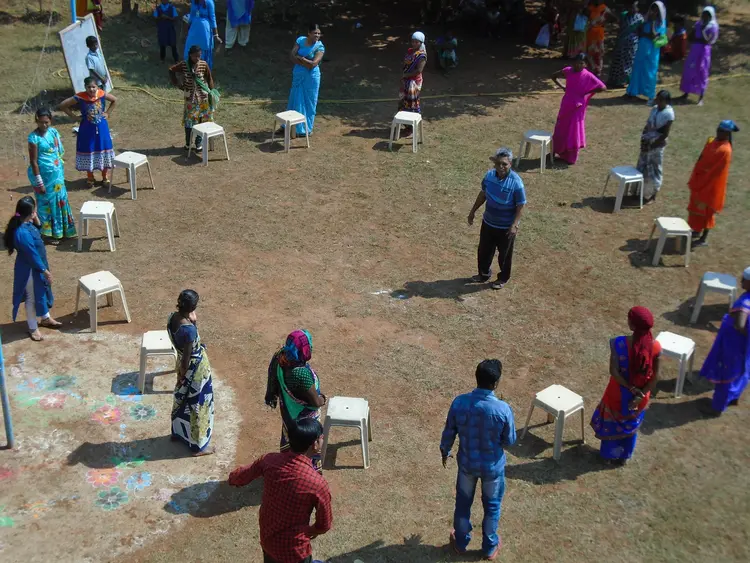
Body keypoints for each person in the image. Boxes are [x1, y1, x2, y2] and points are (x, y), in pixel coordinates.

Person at [440, 359, 516, 561]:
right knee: (492, 507)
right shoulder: (503, 409)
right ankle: (490, 547)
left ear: (476, 377)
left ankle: (460, 542)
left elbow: (449, 432)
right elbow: (509, 440)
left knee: (463, 504)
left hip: (467, 465)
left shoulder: (460, 403)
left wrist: (445, 450)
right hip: (492, 469)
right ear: (496, 383)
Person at [228, 418, 333, 563]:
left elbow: (240, 476)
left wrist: (232, 478)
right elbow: (324, 525)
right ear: (315, 444)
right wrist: (310, 531)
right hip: (295, 552)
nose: (323, 439)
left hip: (268, 541)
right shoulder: (317, 483)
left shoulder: (269, 460)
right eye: (321, 437)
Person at [590, 307, 661, 465]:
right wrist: (641, 394)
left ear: (632, 325)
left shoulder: (618, 343)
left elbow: (614, 371)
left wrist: (630, 388)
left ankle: (608, 456)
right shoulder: (655, 347)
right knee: (631, 425)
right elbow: (655, 377)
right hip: (640, 398)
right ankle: (623, 456)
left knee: (612, 424)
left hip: (618, 394)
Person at [265, 330, 326, 473]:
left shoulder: (281, 357)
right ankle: (307, 474)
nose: (310, 348)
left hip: (289, 413)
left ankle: (289, 469)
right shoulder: (300, 374)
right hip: (303, 418)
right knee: (307, 448)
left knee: (292, 444)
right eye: (308, 346)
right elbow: (316, 402)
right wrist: (323, 399)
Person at [4, 196, 62, 342]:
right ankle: (32, 326)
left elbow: (38, 230)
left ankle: (45, 318)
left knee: (41, 292)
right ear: (30, 213)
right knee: (32, 297)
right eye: (34, 210)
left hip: (37, 266)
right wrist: (45, 271)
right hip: (29, 270)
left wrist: (35, 219)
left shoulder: (26, 224)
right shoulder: (22, 233)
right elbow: (31, 254)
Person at [467, 148, 526, 290]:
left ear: (510, 164)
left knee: (504, 255)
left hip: (505, 227)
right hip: (488, 222)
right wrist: (473, 211)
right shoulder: (489, 176)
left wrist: (514, 224)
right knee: (484, 251)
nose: (501, 167)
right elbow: (483, 194)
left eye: (504, 164)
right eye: (498, 163)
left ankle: (503, 278)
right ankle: (483, 274)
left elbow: (520, 205)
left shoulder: (516, 183)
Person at [166, 290, 215, 456]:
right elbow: (187, 358)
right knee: (197, 406)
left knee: (182, 399)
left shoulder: (172, 318)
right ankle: (197, 447)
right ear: (193, 307)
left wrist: (180, 376)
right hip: (195, 372)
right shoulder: (189, 330)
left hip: (181, 364)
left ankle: (178, 433)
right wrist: (183, 375)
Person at [698, 267, 750, 417]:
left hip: (734, 344)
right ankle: (733, 397)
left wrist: (743, 333)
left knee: (726, 374)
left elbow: (740, 325)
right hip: (745, 347)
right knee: (742, 370)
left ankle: (716, 408)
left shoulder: (745, 303)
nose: (741, 281)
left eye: (745, 279)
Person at [26, 108, 77, 241]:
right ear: (37, 121)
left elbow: (57, 152)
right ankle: (47, 233)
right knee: (45, 204)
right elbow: (33, 162)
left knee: (61, 200)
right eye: (41, 122)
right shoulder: (33, 138)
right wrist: (39, 182)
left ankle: (63, 230)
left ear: (51, 121)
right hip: (43, 178)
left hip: (57, 176)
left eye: (47, 122)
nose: (44, 125)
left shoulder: (53, 132)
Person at [687, 120, 738, 248]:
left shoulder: (725, 150)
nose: (718, 133)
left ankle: (703, 238)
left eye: (722, 131)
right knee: (695, 207)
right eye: (718, 130)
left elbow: (716, 172)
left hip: (711, 185)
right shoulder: (712, 141)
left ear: (727, 134)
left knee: (707, 212)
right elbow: (702, 157)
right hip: (701, 180)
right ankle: (696, 230)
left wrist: (703, 179)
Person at [58, 76, 116, 189]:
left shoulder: (102, 94)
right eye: (89, 87)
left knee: (103, 148)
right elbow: (63, 105)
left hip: (102, 128)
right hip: (87, 129)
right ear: (85, 87)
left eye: (93, 87)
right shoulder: (80, 97)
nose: (91, 89)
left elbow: (115, 100)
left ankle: (105, 177)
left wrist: (108, 113)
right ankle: (90, 177)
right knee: (89, 149)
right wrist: (75, 117)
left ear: (97, 87)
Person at [551, 53, 606, 165]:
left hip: (577, 107)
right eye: (576, 62)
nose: (578, 65)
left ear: (585, 64)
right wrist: (563, 86)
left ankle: (570, 157)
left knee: (573, 130)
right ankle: (555, 151)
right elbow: (553, 76)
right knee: (560, 127)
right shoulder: (568, 71)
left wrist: (587, 92)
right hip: (566, 104)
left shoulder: (588, 75)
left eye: (581, 63)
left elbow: (603, 87)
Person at [169, 45, 218, 152]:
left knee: (202, 120)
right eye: (195, 56)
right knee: (189, 122)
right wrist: (178, 84)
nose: (197, 58)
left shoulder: (203, 64)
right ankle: (188, 144)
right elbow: (171, 70)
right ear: (190, 55)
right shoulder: (183, 65)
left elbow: (209, 78)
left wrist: (212, 92)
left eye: (199, 56)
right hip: (190, 99)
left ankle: (198, 143)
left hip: (203, 98)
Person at [286, 24, 325, 138]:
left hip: (311, 77)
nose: (317, 35)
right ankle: (289, 126)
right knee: (294, 99)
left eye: (319, 33)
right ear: (309, 33)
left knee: (309, 101)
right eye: (315, 33)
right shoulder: (300, 40)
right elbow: (292, 55)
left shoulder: (320, 47)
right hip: (298, 74)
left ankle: (305, 129)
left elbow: (313, 64)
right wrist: (303, 62)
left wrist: (301, 59)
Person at [635, 89, 675, 204]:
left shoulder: (669, 114)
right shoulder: (654, 109)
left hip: (657, 146)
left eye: (660, 100)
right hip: (647, 142)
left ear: (666, 101)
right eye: (657, 99)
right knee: (642, 167)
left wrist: (652, 145)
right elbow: (647, 125)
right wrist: (643, 139)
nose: (657, 101)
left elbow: (665, 134)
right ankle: (639, 192)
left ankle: (653, 195)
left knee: (655, 170)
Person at [625, 1, 667, 104]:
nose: (654, 11)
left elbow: (654, 35)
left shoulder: (661, 23)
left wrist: (652, 22)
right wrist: (646, 26)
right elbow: (639, 32)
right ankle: (632, 92)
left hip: (652, 51)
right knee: (637, 69)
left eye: (656, 9)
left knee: (650, 72)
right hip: (642, 47)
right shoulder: (646, 19)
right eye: (653, 8)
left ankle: (650, 95)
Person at [677, 7, 719, 106]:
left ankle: (701, 97)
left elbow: (707, 41)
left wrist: (703, 31)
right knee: (689, 70)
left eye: (707, 15)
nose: (705, 16)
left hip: (704, 52)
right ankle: (686, 93)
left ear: (711, 16)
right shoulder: (698, 24)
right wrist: (694, 31)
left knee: (702, 72)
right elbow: (690, 37)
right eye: (704, 14)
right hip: (694, 50)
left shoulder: (712, 27)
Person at [606, 1, 643, 88]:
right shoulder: (623, 15)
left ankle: (624, 81)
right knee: (618, 61)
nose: (633, 9)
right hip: (621, 42)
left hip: (631, 44)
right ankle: (614, 81)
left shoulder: (640, 18)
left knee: (628, 61)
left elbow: (640, 32)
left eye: (634, 7)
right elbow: (620, 27)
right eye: (630, 7)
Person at [399, 31, 427, 137]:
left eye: (416, 42)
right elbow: (405, 64)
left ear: (421, 42)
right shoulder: (410, 51)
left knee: (411, 104)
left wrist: (406, 75)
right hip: (406, 81)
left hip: (413, 83)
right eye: (413, 41)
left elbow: (418, 71)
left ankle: (411, 128)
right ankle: (406, 125)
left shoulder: (422, 55)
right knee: (402, 102)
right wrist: (403, 76)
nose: (414, 43)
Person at [184, 0, 221, 70]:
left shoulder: (209, 2)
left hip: (204, 31)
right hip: (194, 29)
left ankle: (202, 70)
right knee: (190, 47)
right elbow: (191, 15)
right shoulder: (194, 1)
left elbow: (213, 18)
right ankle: (190, 69)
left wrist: (216, 35)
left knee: (203, 49)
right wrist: (187, 30)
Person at [585, 0, 613, 76]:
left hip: (599, 33)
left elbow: (612, 18)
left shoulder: (604, 7)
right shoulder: (590, 8)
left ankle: (598, 69)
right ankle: (593, 68)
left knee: (600, 52)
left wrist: (603, 20)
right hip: (591, 33)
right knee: (590, 51)